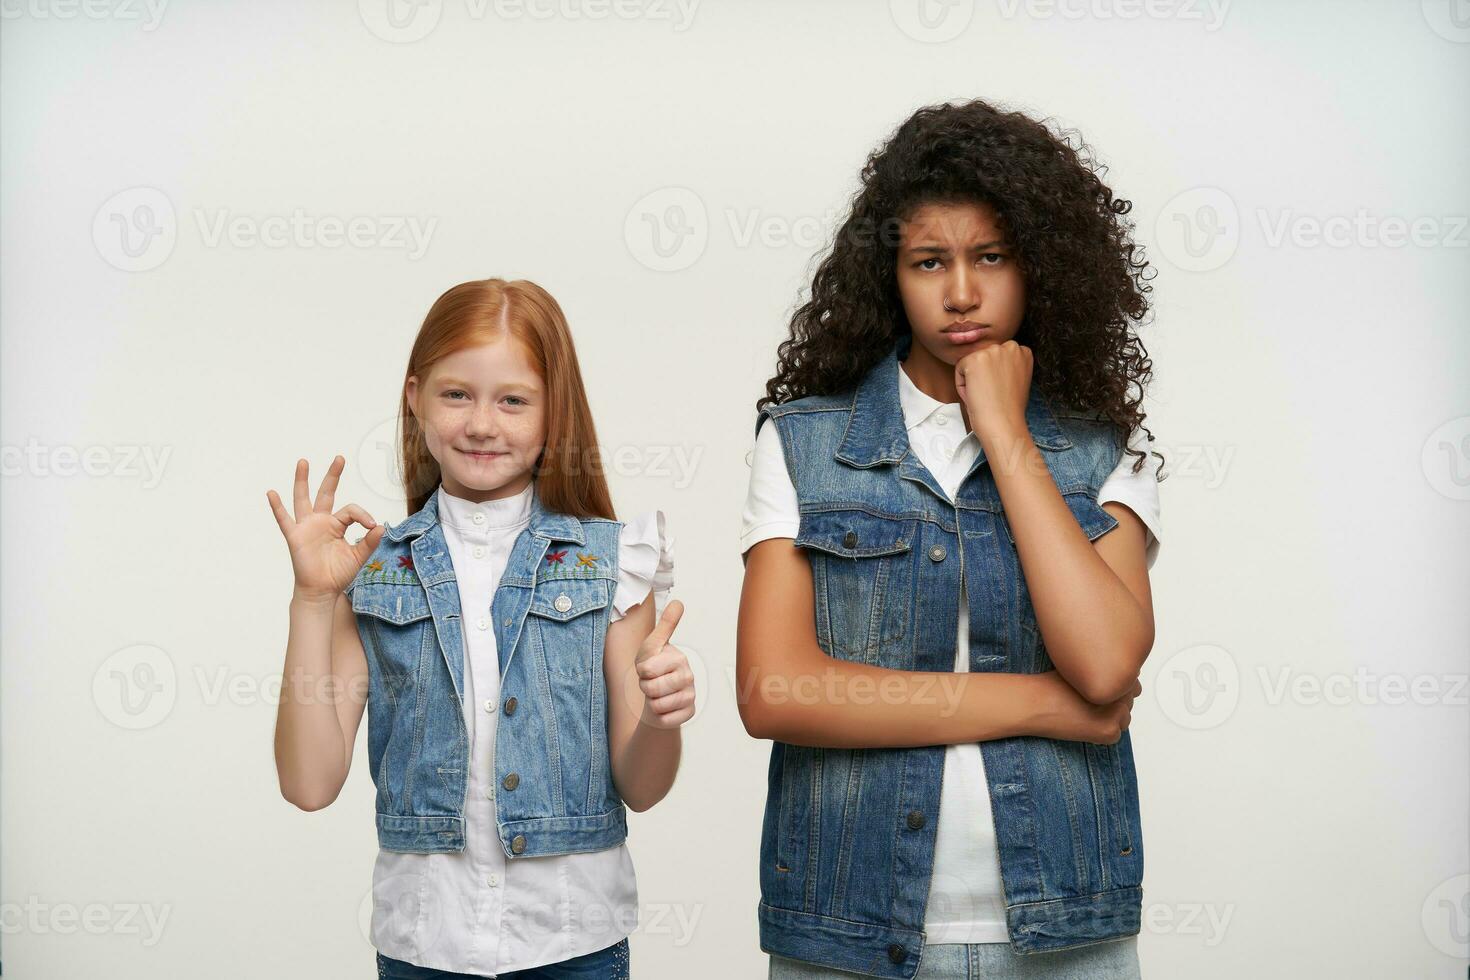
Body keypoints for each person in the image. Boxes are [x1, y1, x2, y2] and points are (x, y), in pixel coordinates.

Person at [737, 98, 1164, 979]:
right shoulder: (804, 443)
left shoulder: (1096, 448)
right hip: (848, 931)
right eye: (930, 261)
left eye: (991, 258)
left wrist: (1007, 437)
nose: (962, 292)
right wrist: (1044, 707)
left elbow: (1107, 663)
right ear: (890, 275)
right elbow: (774, 691)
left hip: (1066, 931)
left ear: (1038, 266)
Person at [268, 278, 692, 978]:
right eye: (456, 394)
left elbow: (641, 787)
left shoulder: (615, 564)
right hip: (423, 947)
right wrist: (313, 601)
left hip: (573, 945)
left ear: (554, 410)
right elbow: (308, 784)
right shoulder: (369, 571)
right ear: (415, 399)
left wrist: (662, 717)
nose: (482, 424)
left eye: (514, 400)